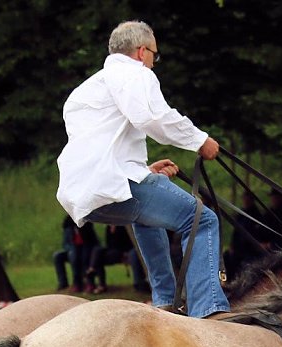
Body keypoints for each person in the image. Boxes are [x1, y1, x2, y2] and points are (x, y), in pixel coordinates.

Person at [56, 20, 229, 318]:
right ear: (140, 52)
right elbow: (151, 117)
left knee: (148, 218)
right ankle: (209, 309)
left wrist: (143, 169)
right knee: (201, 220)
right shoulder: (135, 74)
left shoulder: (86, 89)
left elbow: (100, 144)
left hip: (84, 194)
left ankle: (164, 299)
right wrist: (199, 140)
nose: (153, 63)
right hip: (117, 181)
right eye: (154, 55)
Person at [85, 224, 148, 294]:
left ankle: (92, 270)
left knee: (99, 257)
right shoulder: (108, 228)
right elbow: (108, 243)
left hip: (121, 251)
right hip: (112, 251)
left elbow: (128, 243)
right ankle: (93, 271)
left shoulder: (122, 228)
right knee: (97, 251)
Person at [53, 216, 98, 292]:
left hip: (85, 250)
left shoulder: (87, 227)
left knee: (81, 255)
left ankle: (85, 282)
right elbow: (65, 244)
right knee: (58, 256)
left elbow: (93, 242)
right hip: (72, 250)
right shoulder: (68, 228)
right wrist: (70, 249)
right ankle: (63, 283)